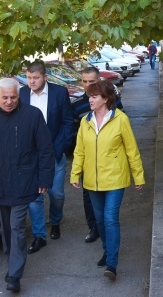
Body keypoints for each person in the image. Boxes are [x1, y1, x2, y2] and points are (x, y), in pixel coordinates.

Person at [0, 78, 54, 293]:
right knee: (6, 228)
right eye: (5, 97)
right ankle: (11, 261)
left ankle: (15, 274)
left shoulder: (32, 116)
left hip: (25, 182)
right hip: (0, 183)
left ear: (19, 96)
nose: (9, 101)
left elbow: (45, 150)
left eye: (13, 97)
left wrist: (44, 179)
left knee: (17, 226)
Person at [70, 80, 145, 280]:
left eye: (94, 96)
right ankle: (106, 249)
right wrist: (75, 173)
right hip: (92, 181)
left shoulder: (120, 119)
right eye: (89, 96)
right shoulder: (86, 121)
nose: (89, 100)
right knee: (100, 220)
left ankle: (112, 263)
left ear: (105, 99)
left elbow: (132, 150)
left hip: (115, 179)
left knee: (110, 218)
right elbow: (80, 151)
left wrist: (138, 176)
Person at [20, 61, 75, 254]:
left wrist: (60, 147)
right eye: (29, 78)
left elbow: (68, 122)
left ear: (44, 77)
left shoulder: (59, 93)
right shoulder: (22, 94)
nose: (32, 82)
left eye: (35, 78)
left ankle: (56, 220)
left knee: (56, 194)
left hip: (53, 152)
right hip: (30, 155)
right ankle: (39, 235)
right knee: (35, 197)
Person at [70, 66, 101, 243]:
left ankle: (105, 225)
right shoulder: (77, 105)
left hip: (107, 160)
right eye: (85, 81)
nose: (88, 85)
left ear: (99, 80)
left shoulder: (111, 101)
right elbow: (73, 132)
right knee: (88, 196)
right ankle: (93, 227)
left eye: (92, 81)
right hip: (87, 159)